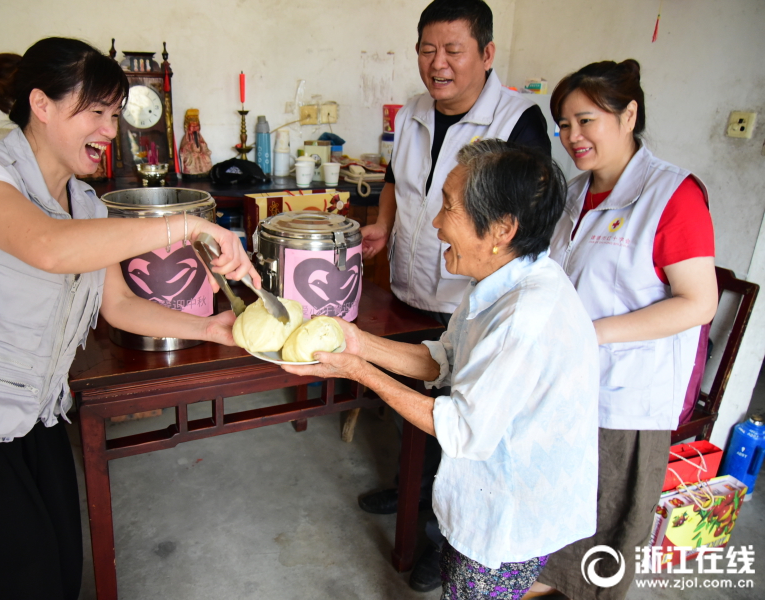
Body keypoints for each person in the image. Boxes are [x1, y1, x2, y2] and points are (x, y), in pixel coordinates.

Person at [0, 37, 258, 600]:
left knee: (60, 572)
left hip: (35, 414)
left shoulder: (84, 203)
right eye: (96, 113)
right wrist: (188, 225)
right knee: (15, 583)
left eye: (115, 115)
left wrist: (208, 328)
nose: (111, 131)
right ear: (41, 105)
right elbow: (47, 247)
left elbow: (117, 304)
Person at [286, 140, 599, 600]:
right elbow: (444, 361)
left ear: (501, 229)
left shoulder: (522, 318)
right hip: (488, 488)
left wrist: (360, 373)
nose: (435, 223)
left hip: (509, 508)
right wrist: (357, 342)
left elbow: (461, 428)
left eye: (448, 208)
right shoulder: (498, 282)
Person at [357, 0, 551, 590]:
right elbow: (394, 180)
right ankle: (409, 487)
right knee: (416, 395)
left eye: (453, 51)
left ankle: (444, 539)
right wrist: (385, 225)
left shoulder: (520, 122)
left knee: (464, 423)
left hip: (468, 292)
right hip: (414, 281)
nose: (437, 65)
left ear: (487, 54)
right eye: (426, 50)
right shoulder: (414, 111)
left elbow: (521, 220)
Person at [527, 60, 718, 600]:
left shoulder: (673, 196)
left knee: (601, 537)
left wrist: (597, 334)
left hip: (623, 397)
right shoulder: (573, 193)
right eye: (563, 125)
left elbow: (698, 303)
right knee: (554, 522)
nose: (572, 137)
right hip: (565, 382)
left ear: (629, 114)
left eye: (585, 120)